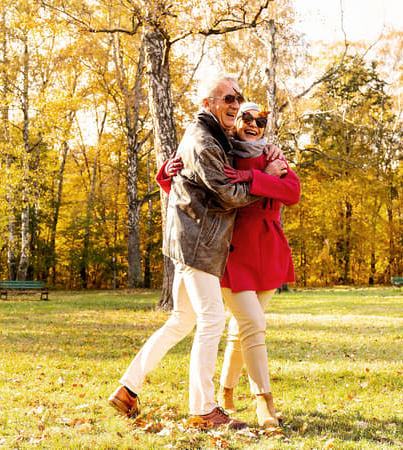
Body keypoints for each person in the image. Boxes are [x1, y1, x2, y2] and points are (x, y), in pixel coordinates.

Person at [108, 74, 285, 430]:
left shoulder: (214, 137)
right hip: (199, 243)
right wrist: (264, 174)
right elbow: (228, 194)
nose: (235, 104)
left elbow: (187, 181)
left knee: (181, 321)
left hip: (189, 241)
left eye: (239, 98)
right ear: (207, 104)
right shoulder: (205, 140)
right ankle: (204, 409)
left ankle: (128, 388)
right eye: (227, 99)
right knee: (212, 321)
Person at [157, 102, 300, 428]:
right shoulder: (221, 154)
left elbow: (292, 192)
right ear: (234, 121)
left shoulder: (271, 156)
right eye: (245, 118)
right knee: (252, 323)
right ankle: (263, 401)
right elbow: (192, 193)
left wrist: (254, 175)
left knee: (243, 328)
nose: (252, 125)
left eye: (260, 121)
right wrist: (166, 175)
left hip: (268, 250)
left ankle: (225, 392)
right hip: (230, 251)